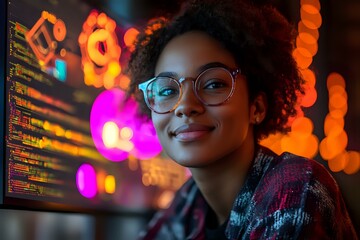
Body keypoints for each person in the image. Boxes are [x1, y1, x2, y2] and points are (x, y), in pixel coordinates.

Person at [125, 0, 358, 239]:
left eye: (214, 84)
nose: (185, 105)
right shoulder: (188, 202)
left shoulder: (295, 185)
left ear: (256, 107)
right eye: (167, 90)